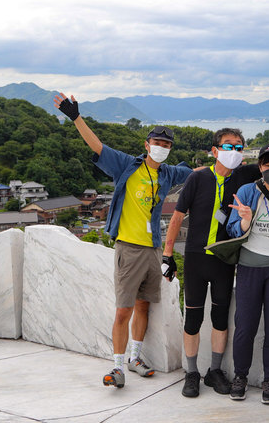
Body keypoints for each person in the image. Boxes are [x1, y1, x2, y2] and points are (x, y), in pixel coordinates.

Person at [164, 125, 269, 398]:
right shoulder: (199, 177)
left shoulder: (243, 176)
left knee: (221, 318)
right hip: (195, 255)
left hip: (225, 258)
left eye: (239, 146)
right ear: (215, 150)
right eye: (228, 145)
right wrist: (168, 253)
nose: (234, 151)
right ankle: (191, 372)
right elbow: (178, 216)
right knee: (193, 317)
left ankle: (215, 370)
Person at [54, 93, 191, 389]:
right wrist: (76, 117)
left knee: (144, 306)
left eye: (167, 145)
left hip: (153, 250)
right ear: (147, 145)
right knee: (123, 310)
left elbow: (199, 173)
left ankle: (135, 357)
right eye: (157, 144)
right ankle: (116, 367)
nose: (161, 149)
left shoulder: (168, 173)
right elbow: (98, 146)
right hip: (128, 248)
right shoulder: (127, 166)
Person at [223, 143, 269, 404]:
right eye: (267, 165)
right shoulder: (248, 191)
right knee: (245, 326)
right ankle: (240, 376)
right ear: (260, 167)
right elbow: (233, 230)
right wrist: (245, 219)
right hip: (248, 269)